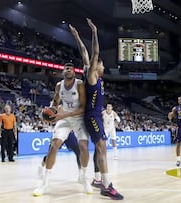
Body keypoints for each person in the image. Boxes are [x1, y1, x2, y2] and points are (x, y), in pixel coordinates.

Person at [71, 19, 124, 200]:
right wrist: (94, 32)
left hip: (95, 116)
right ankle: (107, 186)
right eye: (101, 64)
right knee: (101, 147)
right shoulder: (93, 75)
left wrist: (77, 36)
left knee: (102, 149)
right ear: (97, 66)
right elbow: (94, 52)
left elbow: (84, 52)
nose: (103, 66)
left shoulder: (89, 73)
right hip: (92, 115)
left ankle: (99, 179)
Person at [33, 63, 92, 196]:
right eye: (66, 68)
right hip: (64, 118)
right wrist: (49, 113)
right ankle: (44, 183)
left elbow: (83, 108)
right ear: (63, 72)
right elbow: (55, 103)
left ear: (74, 72)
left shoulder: (80, 84)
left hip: (78, 118)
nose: (68, 70)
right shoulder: (59, 86)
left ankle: (84, 177)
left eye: (71, 68)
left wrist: (62, 115)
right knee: (53, 146)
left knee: (83, 147)